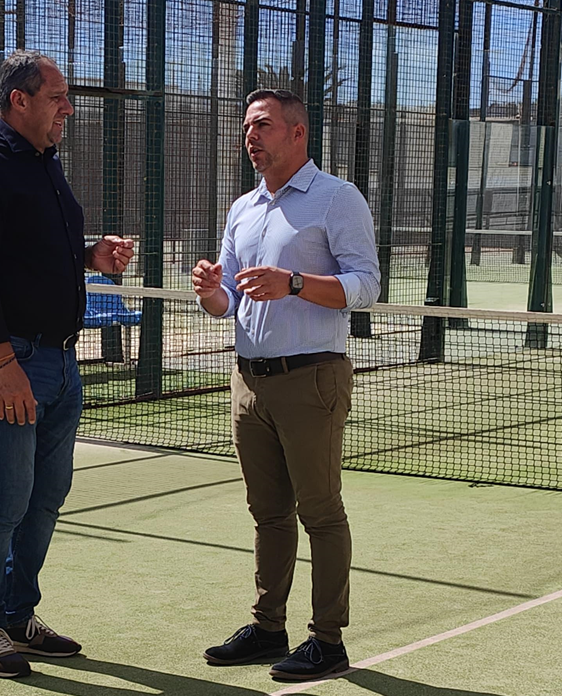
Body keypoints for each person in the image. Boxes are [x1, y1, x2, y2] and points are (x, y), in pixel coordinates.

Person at [0, 49, 135, 679]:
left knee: (47, 496)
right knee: (3, 500)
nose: (67, 108)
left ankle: (18, 615)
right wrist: (3, 363)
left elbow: (31, 253)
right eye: (56, 97)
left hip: (58, 358)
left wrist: (90, 255)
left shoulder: (45, 163)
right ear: (18, 100)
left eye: (66, 97)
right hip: (11, 359)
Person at [193, 89, 380, 682]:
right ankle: (268, 626)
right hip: (249, 383)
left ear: (297, 133)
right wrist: (209, 291)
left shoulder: (337, 198)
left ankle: (328, 641)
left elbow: (365, 286)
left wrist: (296, 282)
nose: (252, 135)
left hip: (312, 379)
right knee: (267, 513)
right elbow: (228, 303)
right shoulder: (243, 207)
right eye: (248, 126)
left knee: (320, 513)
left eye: (264, 125)